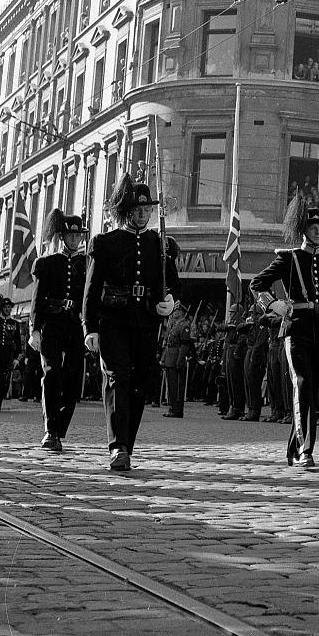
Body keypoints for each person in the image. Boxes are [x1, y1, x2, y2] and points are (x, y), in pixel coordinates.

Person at [83, 174, 181, 471]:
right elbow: (91, 287)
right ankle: (118, 446)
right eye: (137, 209)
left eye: (147, 209)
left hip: (146, 322)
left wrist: (170, 301)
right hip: (114, 319)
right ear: (126, 210)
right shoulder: (106, 242)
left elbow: (174, 283)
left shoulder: (160, 244)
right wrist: (90, 327)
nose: (142, 214)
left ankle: (128, 442)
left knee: (139, 384)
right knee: (117, 378)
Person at [250, 197, 319, 470]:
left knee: (312, 391)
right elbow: (257, 284)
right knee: (302, 383)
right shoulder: (289, 258)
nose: (317, 231)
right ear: (303, 230)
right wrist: (272, 303)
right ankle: (305, 450)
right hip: (298, 329)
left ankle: (294, 447)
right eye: (312, 227)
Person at [30, 209, 88, 452]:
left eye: (78, 237)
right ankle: (50, 430)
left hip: (75, 325)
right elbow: (37, 299)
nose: (74, 240)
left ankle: (59, 427)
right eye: (70, 236)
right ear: (62, 236)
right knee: (52, 373)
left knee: (74, 380)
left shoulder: (87, 263)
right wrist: (35, 329)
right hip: (52, 323)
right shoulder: (47, 263)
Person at [161, 301, 193, 418]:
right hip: (170, 357)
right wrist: (164, 358)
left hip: (176, 358)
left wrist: (180, 360)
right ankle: (172, 407)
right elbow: (168, 344)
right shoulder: (174, 325)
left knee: (177, 386)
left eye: (176, 311)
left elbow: (184, 345)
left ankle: (177, 409)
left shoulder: (184, 326)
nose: (174, 313)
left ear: (181, 313)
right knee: (171, 385)